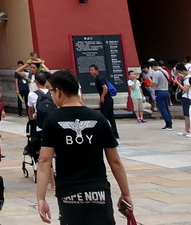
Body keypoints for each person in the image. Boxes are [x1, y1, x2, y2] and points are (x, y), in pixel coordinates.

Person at [36, 69, 133, 225]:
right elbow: (115, 161)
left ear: (59, 92)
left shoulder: (52, 120)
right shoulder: (99, 118)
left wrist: (41, 198)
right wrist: (125, 193)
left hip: (69, 191)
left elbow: (44, 160)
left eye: (51, 91)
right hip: (98, 190)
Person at [89, 65, 118, 139]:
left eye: (92, 70)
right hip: (109, 99)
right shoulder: (100, 78)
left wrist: (102, 97)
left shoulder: (99, 78)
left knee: (103, 117)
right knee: (111, 117)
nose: (91, 72)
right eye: (90, 70)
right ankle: (114, 133)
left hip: (106, 100)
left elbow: (105, 88)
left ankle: (103, 133)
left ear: (96, 70)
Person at [147, 59, 173, 130]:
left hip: (159, 92)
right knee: (166, 108)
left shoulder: (157, 73)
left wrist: (150, 81)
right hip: (166, 91)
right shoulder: (165, 71)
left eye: (151, 67)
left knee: (162, 109)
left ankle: (168, 124)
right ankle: (169, 123)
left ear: (153, 66)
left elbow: (155, 84)